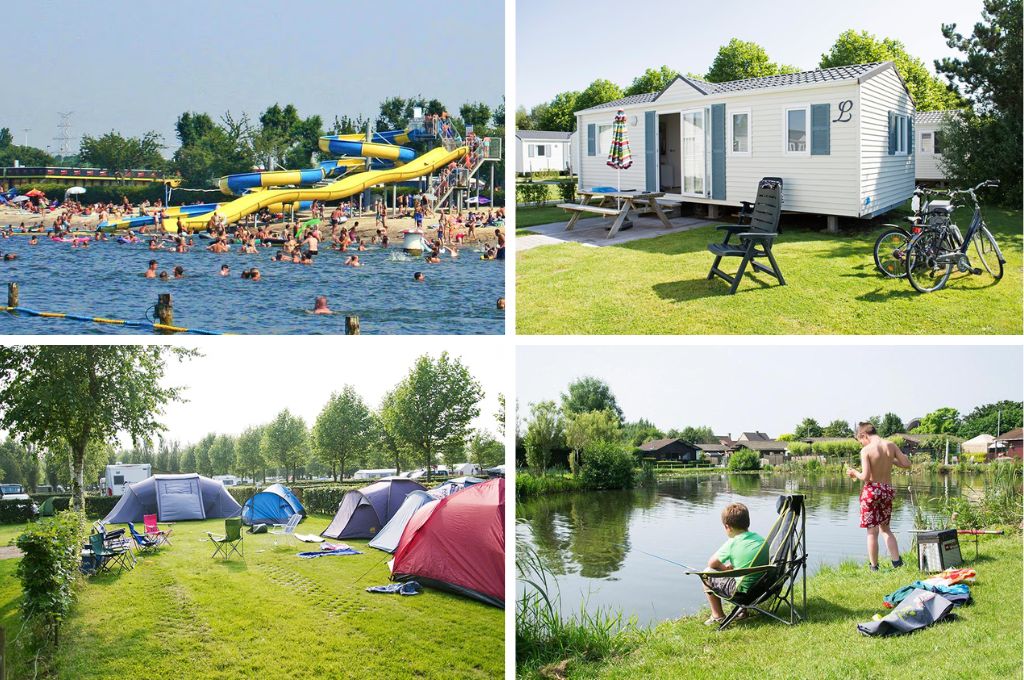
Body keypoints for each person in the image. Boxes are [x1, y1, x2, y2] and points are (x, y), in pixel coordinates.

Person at [847, 422, 911, 571]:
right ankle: (897, 563)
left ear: (863, 435)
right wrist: (891, 460)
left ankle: (874, 567)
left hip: (872, 491)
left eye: (860, 440)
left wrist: (854, 473)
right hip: (887, 490)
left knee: (871, 531)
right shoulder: (891, 445)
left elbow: (866, 476)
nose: (861, 444)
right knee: (886, 529)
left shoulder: (866, 450)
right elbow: (907, 463)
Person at [702, 502, 767, 626]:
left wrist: (724, 568)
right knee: (745, 571)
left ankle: (717, 616)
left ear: (728, 527)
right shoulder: (760, 539)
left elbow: (712, 563)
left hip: (742, 593)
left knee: (706, 574)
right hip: (761, 587)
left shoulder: (732, 543)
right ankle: (742, 612)